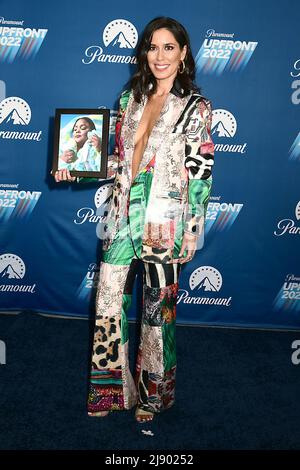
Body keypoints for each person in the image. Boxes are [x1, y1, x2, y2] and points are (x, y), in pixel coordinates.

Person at [53, 16, 214, 423]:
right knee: (108, 302)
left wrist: (193, 230)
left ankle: (153, 397)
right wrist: (80, 168)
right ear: (144, 52)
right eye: (152, 47)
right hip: (121, 216)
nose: (159, 56)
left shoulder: (196, 107)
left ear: (183, 54)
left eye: (168, 47)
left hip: (164, 222)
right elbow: (119, 162)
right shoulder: (131, 99)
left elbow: (200, 173)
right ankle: (110, 392)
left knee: (158, 315)